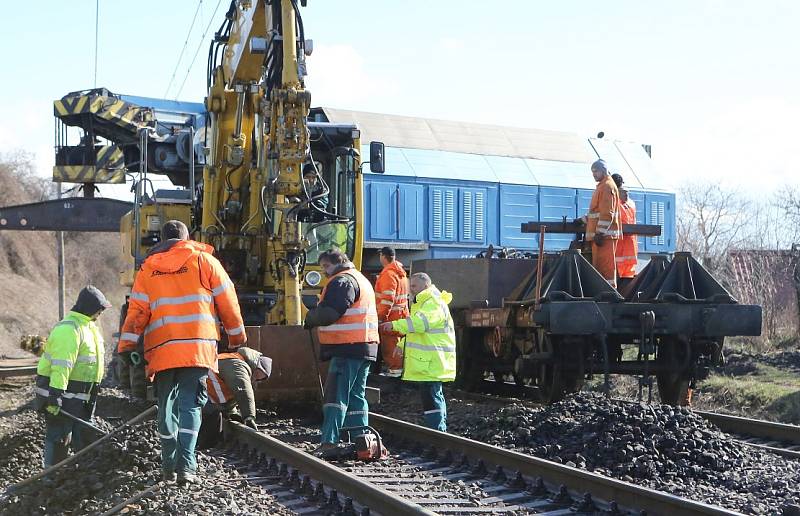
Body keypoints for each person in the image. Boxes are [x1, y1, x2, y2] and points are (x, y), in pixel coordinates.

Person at [118, 220, 246, 484]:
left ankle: (168, 465)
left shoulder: (148, 269)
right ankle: (187, 466)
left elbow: (137, 313)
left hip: (163, 350)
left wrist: (127, 345)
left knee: (166, 408)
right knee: (191, 406)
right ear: (187, 237)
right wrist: (236, 337)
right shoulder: (205, 262)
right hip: (197, 347)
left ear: (162, 240)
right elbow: (228, 300)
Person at [303, 248, 379, 456]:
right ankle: (362, 441)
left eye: (326, 266)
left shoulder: (341, 281)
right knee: (356, 396)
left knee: (336, 396)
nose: (325, 271)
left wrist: (311, 318)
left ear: (338, 262)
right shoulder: (361, 279)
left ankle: (329, 440)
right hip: (365, 346)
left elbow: (330, 313)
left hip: (348, 347)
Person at [35, 285, 111, 467]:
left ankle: (79, 476)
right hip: (61, 393)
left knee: (83, 436)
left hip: (82, 396)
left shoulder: (89, 328)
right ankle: (51, 476)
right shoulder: (70, 329)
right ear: (90, 308)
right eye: (99, 309)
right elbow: (62, 366)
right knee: (59, 435)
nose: (100, 313)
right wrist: (55, 396)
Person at [380, 272, 456, 432]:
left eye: (414, 286)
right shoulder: (425, 302)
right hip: (431, 360)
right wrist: (402, 345)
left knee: (431, 396)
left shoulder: (431, 302)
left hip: (432, 361)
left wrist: (394, 325)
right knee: (432, 394)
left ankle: (437, 431)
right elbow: (418, 331)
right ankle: (436, 430)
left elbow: (421, 324)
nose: (411, 290)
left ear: (425, 285)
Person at [198, 347, 272, 448]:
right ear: (256, 364)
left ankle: (205, 445)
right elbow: (243, 391)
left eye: (259, 379)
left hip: (203, 391)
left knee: (214, 415)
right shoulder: (238, 365)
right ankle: (203, 446)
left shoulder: (233, 361)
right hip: (200, 391)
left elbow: (227, 392)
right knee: (212, 414)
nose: (254, 378)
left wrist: (232, 413)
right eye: (257, 374)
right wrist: (249, 417)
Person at [583, 159, 622, 287]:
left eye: (596, 171)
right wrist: (582, 220)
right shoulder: (603, 186)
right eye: (592, 172)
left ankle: (609, 294)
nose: (594, 174)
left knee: (605, 269)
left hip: (605, 237)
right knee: (600, 268)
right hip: (602, 237)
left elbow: (607, 213)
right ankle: (604, 293)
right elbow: (596, 212)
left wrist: (600, 233)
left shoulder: (607, 187)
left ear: (603, 171)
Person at [374, 247, 409, 376]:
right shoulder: (400, 274)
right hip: (400, 316)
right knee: (397, 346)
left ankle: (394, 376)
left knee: (390, 348)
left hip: (390, 318)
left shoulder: (388, 274)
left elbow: (387, 299)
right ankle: (397, 373)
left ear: (383, 256)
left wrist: (380, 317)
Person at [612, 173, 638, 286]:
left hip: (619, 247)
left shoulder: (614, 201)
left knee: (617, 277)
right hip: (631, 247)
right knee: (629, 277)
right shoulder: (631, 203)